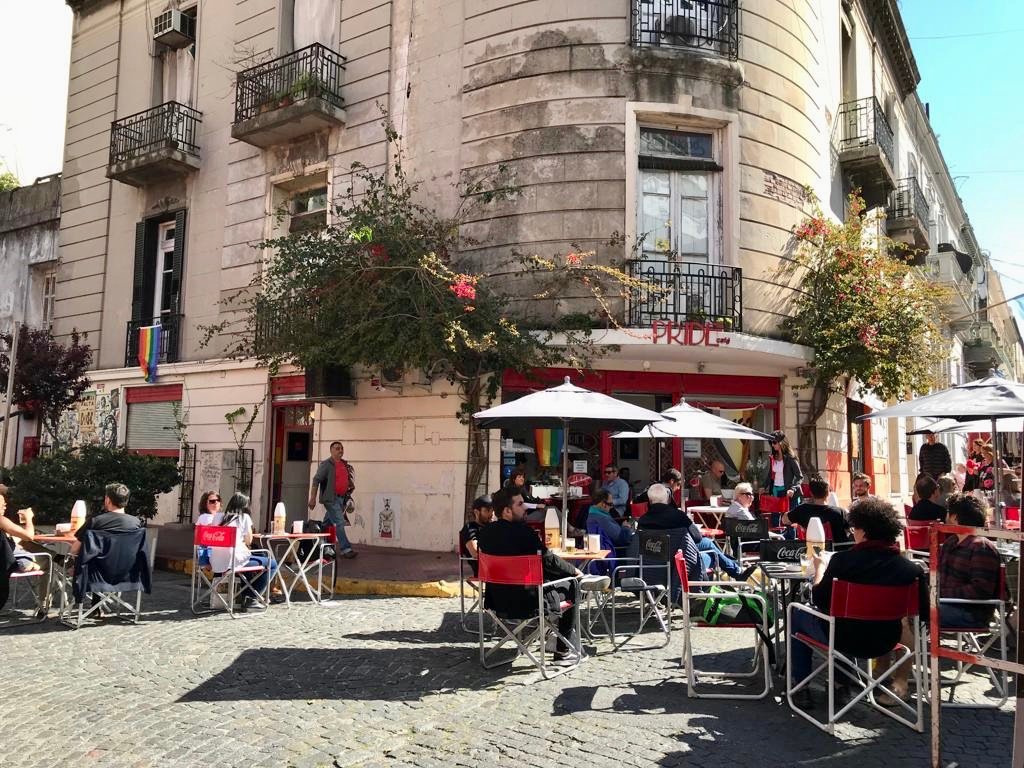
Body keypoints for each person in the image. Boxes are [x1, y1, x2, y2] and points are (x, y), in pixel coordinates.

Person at [788, 498, 927, 709]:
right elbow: (922, 613)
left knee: (797, 613)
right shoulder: (911, 570)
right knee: (846, 620)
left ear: (862, 531)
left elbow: (819, 599)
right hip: (886, 640)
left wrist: (820, 569)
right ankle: (841, 684)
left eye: (854, 528)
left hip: (844, 639)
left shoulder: (841, 562)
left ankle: (801, 686)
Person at [477, 488, 604, 660]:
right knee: (572, 585)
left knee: (556, 579)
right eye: (520, 504)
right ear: (507, 511)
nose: (525, 508)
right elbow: (549, 561)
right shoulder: (525, 534)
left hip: (497, 600)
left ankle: (550, 635)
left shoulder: (484, 534)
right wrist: (575, 571)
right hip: (529, 602)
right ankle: (563, 650)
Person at [639, 483, 743, 578]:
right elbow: (697, 538)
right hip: (680, 562)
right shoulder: (677, 515)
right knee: (710, 550)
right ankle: (735, 569)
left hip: (653, 564)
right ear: (668, 499)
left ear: (650, 500)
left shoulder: (643, 520)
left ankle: (734, 567)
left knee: (708, 546)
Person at [939, 493, 1002, 629]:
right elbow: (941, 576)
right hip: (946, 604)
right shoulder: (951, 542)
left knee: (917, 611)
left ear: (954, 517)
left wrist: (941, 594)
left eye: (948, 512)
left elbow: (980, 591)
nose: (945, 516)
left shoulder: (981, 547)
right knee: (912, 605)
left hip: (971, 613)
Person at [210, 492, 280, 610]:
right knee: (272, 563)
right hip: (234, 562)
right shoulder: (244, 517)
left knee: (251, 559)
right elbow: (249, 541)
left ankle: (244, 595)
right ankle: (251, 598)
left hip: (216, 562)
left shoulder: (217, 517)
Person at [308, 440, 357, 559]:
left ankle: (318, 542)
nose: (340, 450)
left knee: (327, 523)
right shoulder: (326, 464)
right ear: (331, 451)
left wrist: (348, 494)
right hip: (330, 498)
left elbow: (346, 481)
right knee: (340, 522)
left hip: (341, 499)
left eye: (341, 448)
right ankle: (346, 549)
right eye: (337, 448)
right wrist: (312, 498)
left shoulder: (344, 464)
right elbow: (316, 480)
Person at [69, 483, 141, 558]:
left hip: (96, 565)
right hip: (127, 565)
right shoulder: (136, 523)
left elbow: (74, 550)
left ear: (108, 500)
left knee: (64, 555)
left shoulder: (95, 521)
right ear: (126, 501)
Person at [784, 476, 852, 544]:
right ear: (828, 493)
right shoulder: (840, 512)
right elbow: (850, 530)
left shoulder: (802, 510)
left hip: (811, 549)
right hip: (838, 549)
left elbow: (784, 520)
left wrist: (798, 522)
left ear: (811, 493)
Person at [763, 431, 803, 508]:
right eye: (771, 443)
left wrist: (792, 489)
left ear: (781, 442)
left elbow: (799, 477)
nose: (772, 445)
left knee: (789, 514)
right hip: (775, 491)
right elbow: (770, 474)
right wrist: (763, 487)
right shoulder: (773, 457)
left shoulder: (791, 458)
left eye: (774, 442)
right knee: (775, 514)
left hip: (788, 492)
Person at [459, 495, 494, 576]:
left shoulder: (494, 526)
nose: (491, 514)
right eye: (487, 510)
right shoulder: (470, 528)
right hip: (484, 572)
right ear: (476, 512)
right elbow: (475, 553)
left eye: (493, 510)